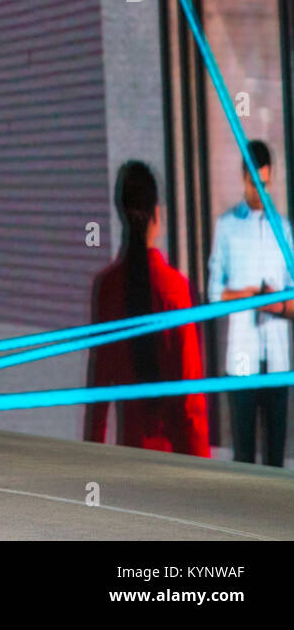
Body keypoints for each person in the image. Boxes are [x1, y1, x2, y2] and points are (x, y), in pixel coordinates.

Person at [83, 161, 209, 456]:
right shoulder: (175, 288)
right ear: (157, 214)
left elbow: (99, 390)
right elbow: (191, 398)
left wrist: (89, 461)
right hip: (178, 459)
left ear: (122, 214)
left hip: (131, 456)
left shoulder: (108, 287)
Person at [208, 139, 294, 466]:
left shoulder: (282, 228)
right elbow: (214, 292)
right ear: (244, 177)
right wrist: (246, 296)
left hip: (277, 356)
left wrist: (276, 304)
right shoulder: (227, 227)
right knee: (243, 455)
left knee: (275, 458)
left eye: (266, 184)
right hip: (242, 357)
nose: (261, 191)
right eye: (255, 183)